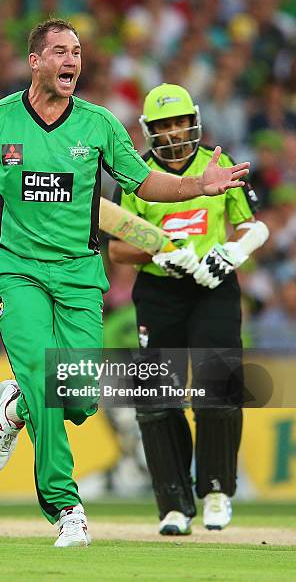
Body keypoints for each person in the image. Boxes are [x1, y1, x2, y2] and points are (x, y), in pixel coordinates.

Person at [0, 21, 250, 548]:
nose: (71, 60)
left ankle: (14, 409)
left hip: (80, 274)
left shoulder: (99, 124)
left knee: (77, 397)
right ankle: (67, 508)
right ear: (34, 60)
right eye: (60, 51)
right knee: (43, 375)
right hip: (17, 268)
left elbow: (144, 182)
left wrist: (198, 184)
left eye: (77, 52)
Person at [109, 83, 269, 536]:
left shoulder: (216, 167)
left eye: (181, 122)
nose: (175, 132)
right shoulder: (137, 177)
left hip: (214, 287)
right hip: (160, 292)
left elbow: (249, 227)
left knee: (218, 387)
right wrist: (156, 253)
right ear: (150, 131)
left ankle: (217, 490)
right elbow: (119, 249)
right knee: (156, 403)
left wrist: (230, 256)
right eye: (164, 125)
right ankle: (174, 506)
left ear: (194, 121)